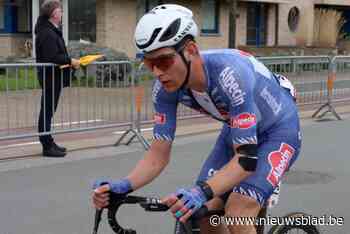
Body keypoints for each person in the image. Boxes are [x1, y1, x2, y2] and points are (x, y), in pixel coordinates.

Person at [92, 4, 301, 234]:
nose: (157, 72)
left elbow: (247, 160)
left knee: (237, 213)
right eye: (148, 63)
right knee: (201, 214)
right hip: (239, 132)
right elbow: (158, 154)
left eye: (163, 61)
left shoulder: (230, 74)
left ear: (191, 50)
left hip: (278, 132)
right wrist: (124, 186)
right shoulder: (164, 90)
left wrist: (201, 191)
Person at [35, 0, 80, 157]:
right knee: (47, 111)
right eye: (60, 10)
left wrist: (69, 61)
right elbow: (52, 56)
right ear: (54, 13)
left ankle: (49, 141)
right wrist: (70, 61)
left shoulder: (50, 30)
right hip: (50, 78)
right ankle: (47, 146)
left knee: (49, 111)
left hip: (53, 77)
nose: (62, 13)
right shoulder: (47, 33)